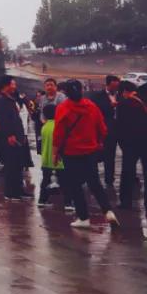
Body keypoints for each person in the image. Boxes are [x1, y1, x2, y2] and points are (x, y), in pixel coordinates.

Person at [54, 80, 118, 228]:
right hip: (90, 151)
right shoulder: (91, 106)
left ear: (66, 92)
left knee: (75, 186)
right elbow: (103, 129)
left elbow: (58, 134)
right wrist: (98, 142)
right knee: (95, 183)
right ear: (82, 90)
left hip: (71, 153)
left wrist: (55, 153)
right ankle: (108, 211)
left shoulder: (63, 108)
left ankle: (83, 218)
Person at [115, 82, 147, 213]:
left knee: (127, 173)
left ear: (124, 92)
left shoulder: (123, 104)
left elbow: (120, 126)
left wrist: (123, 144)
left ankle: (126, 202)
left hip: (131, 144)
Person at [0, 76, 28, 201]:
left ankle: (19, 190)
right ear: (6, 85)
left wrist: (21, 135)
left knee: (18, 164)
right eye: (13, 84)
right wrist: (10, 135)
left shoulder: (10, 99)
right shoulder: (2, 100)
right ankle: (10, 193)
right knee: (11, 165)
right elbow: (4, 121)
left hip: (17, 136)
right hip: (10, 138)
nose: (15, 86)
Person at [88, 75, 120, 189]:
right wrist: (109, 106)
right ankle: (93, 179)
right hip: (103, 129)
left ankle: (109, 178)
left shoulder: (120, 95)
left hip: (117, 129)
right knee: (98, 155)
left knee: (111, 155)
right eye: (114, 86)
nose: (115, 89)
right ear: (108, 84)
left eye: (117, 86)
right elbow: (95, 110)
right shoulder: (97, 96)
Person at [37, 104, 66, 208]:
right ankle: (68, 203)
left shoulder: (44, 127)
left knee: (45, 180)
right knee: (64, 181)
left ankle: (42, 200)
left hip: (46, 159)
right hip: (59, 159)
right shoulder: (59, 126)